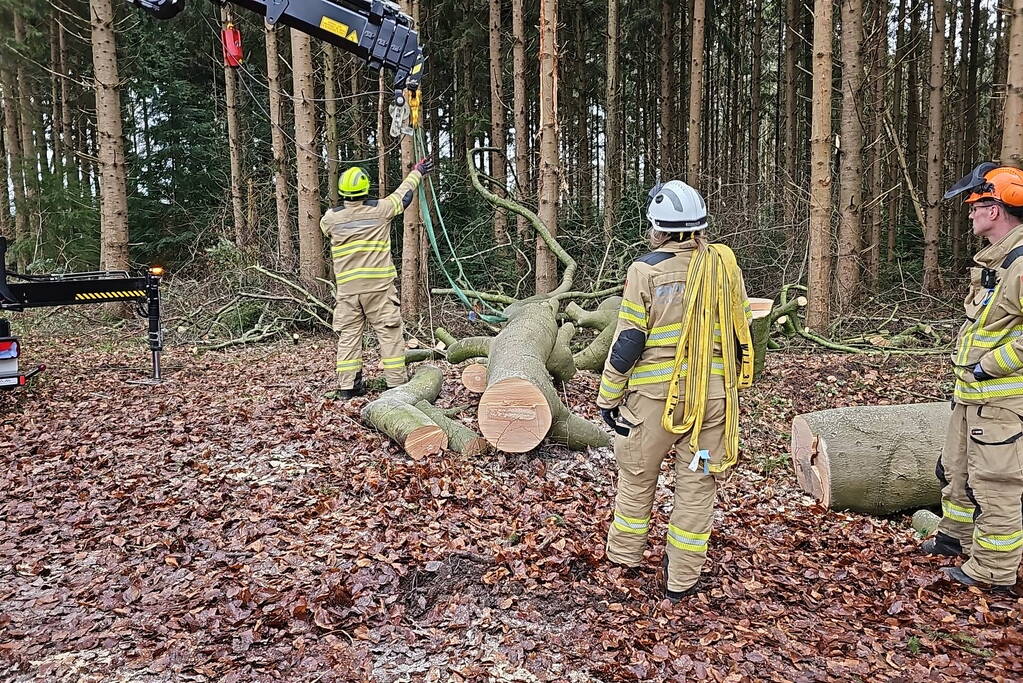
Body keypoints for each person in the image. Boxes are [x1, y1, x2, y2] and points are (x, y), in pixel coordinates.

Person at [596, 180, 754, 601]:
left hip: (654, 402)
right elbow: (742, 329)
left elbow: (629, 341)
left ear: (656, 227)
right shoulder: (725, 267)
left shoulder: (645, 270)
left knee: (636, 477)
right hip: (713, 402)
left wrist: (608, 397)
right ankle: (681, 580)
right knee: (698, 484)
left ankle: (624, 560)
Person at [922, 162, 1023, 592]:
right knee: (957, 471)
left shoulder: (1020, 265)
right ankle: (955, 537)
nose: (970, 214)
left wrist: (990, 366)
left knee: (996, 483)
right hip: (973, 396)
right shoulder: (997, 262)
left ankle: (994, 571)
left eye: (975, 206)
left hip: (1002, 400)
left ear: (994, 209)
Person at [321, 158, 433, 399]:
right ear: (366, 188)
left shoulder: (330, 218)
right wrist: (417, 172)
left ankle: (348, 388)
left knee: (349, 337)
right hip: (379, 289)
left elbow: (325, 227)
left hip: (348, 292)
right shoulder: (381, 210)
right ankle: (396, 385)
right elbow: (403, 196)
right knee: (389, 334)